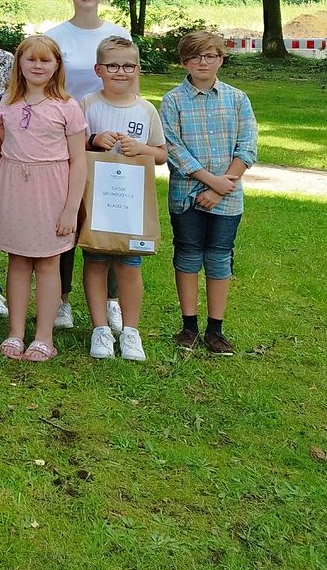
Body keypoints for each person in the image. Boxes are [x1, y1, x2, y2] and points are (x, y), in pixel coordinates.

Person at [44, 0, 132, 329]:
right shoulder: (56, 36)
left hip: (108, 138)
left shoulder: (117, 33)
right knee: (65, 218)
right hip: (66, 138)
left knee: (108, 221)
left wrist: (132, 132)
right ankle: (62, 299)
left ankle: (111, 300)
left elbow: (130, 83)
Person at [0, 35, 88, 363]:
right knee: (17, 261)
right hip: (14, 188)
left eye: (45, 60)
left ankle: (44, 336)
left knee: (48, 263)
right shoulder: (8, 101)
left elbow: (79, 161)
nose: (37, 65)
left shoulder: (67, 107)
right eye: (30, 59)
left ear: (57, 66)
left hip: (52, 191)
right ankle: (16, 332)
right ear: (19, 62)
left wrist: (71, 209)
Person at [161, 31, 257, 357]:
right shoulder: (173, 100)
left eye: (210, 56)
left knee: (219, 257)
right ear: (184, 61)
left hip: (227, 197)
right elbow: (173, 148)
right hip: (186, 194)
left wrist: (221, 188)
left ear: (221, 58)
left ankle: (215, 330)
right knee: (187, 254)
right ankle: (188, 327)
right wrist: (209, 181)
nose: (203, 62)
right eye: (195, 56)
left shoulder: (238, 99)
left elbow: (247, 148)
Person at [81, 35, 167, 362]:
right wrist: (93, 138)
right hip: (97, 200)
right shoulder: (87, 104)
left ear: (138, 69)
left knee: (130, 265)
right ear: (98, 69)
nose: (121, 72)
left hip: (131, 205)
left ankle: (130, 331)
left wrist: (141, 149)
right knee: (96, 261)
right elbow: (72, 142)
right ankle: (100, 328)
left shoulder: (146, 110)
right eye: (113, 65)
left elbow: (161, 154)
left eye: (128, 66)